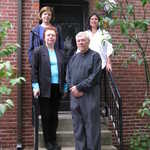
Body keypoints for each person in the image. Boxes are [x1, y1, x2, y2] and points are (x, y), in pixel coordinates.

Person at [32, 26, 66, 150]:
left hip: (57, 88)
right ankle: (48, 143)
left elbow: (64, 71)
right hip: (44, 88)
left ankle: (53, 141)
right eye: (48, 35)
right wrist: (35, 86)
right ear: (44, 37)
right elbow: (34, 70)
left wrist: (65, 86)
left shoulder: (60, 53)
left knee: (54, 115)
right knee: (46, 115)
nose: (51, 37)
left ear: (56, 38)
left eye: (53, 35)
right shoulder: (38, 51)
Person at [66, 31, 102, 150]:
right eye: (78, 41)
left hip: (90, 97)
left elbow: (95, 76)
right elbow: (68, 76)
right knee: (78, 129)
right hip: (75, 99)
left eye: (83, 40)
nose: (80, 42)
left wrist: (79, 87)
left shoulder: (95, 56)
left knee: (92, 129)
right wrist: (73, 88)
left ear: (88, 41)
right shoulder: (73, 58)